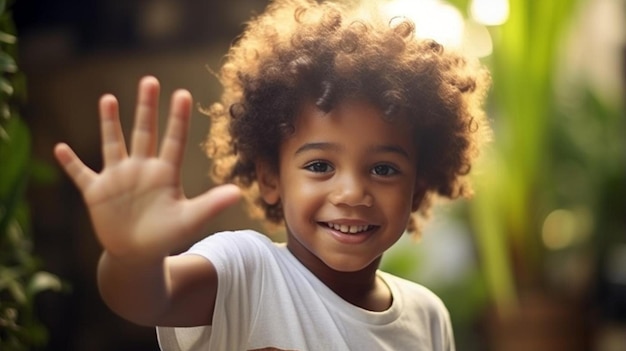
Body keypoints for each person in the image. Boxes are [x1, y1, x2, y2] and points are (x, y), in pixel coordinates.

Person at [54, 0, 491, 349]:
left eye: (384, 168)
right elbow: (147, 296)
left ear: (419, 185)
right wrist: (132, 256)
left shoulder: (428, 317)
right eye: (320, 166)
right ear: (270, 178)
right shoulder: (248, 271)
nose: (353, 192)